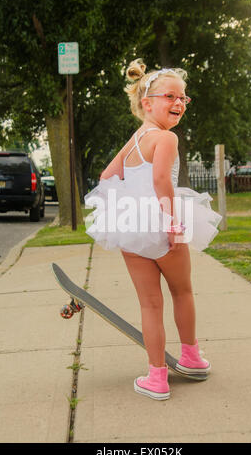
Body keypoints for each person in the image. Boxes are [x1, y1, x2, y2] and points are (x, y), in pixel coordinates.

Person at [85, 59, 222, 401]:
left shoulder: (134, 141)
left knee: (149, 304)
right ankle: (190, 357)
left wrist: (128, 205)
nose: (178, 103)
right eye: (170, 97)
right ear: (147, 103)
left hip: (133, 227)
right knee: (182, 292)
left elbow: (106, 177)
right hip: (163, 226)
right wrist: (172, 223)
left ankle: (156, 377)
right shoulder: (166, 138)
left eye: (183, 98)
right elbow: (162, 180)